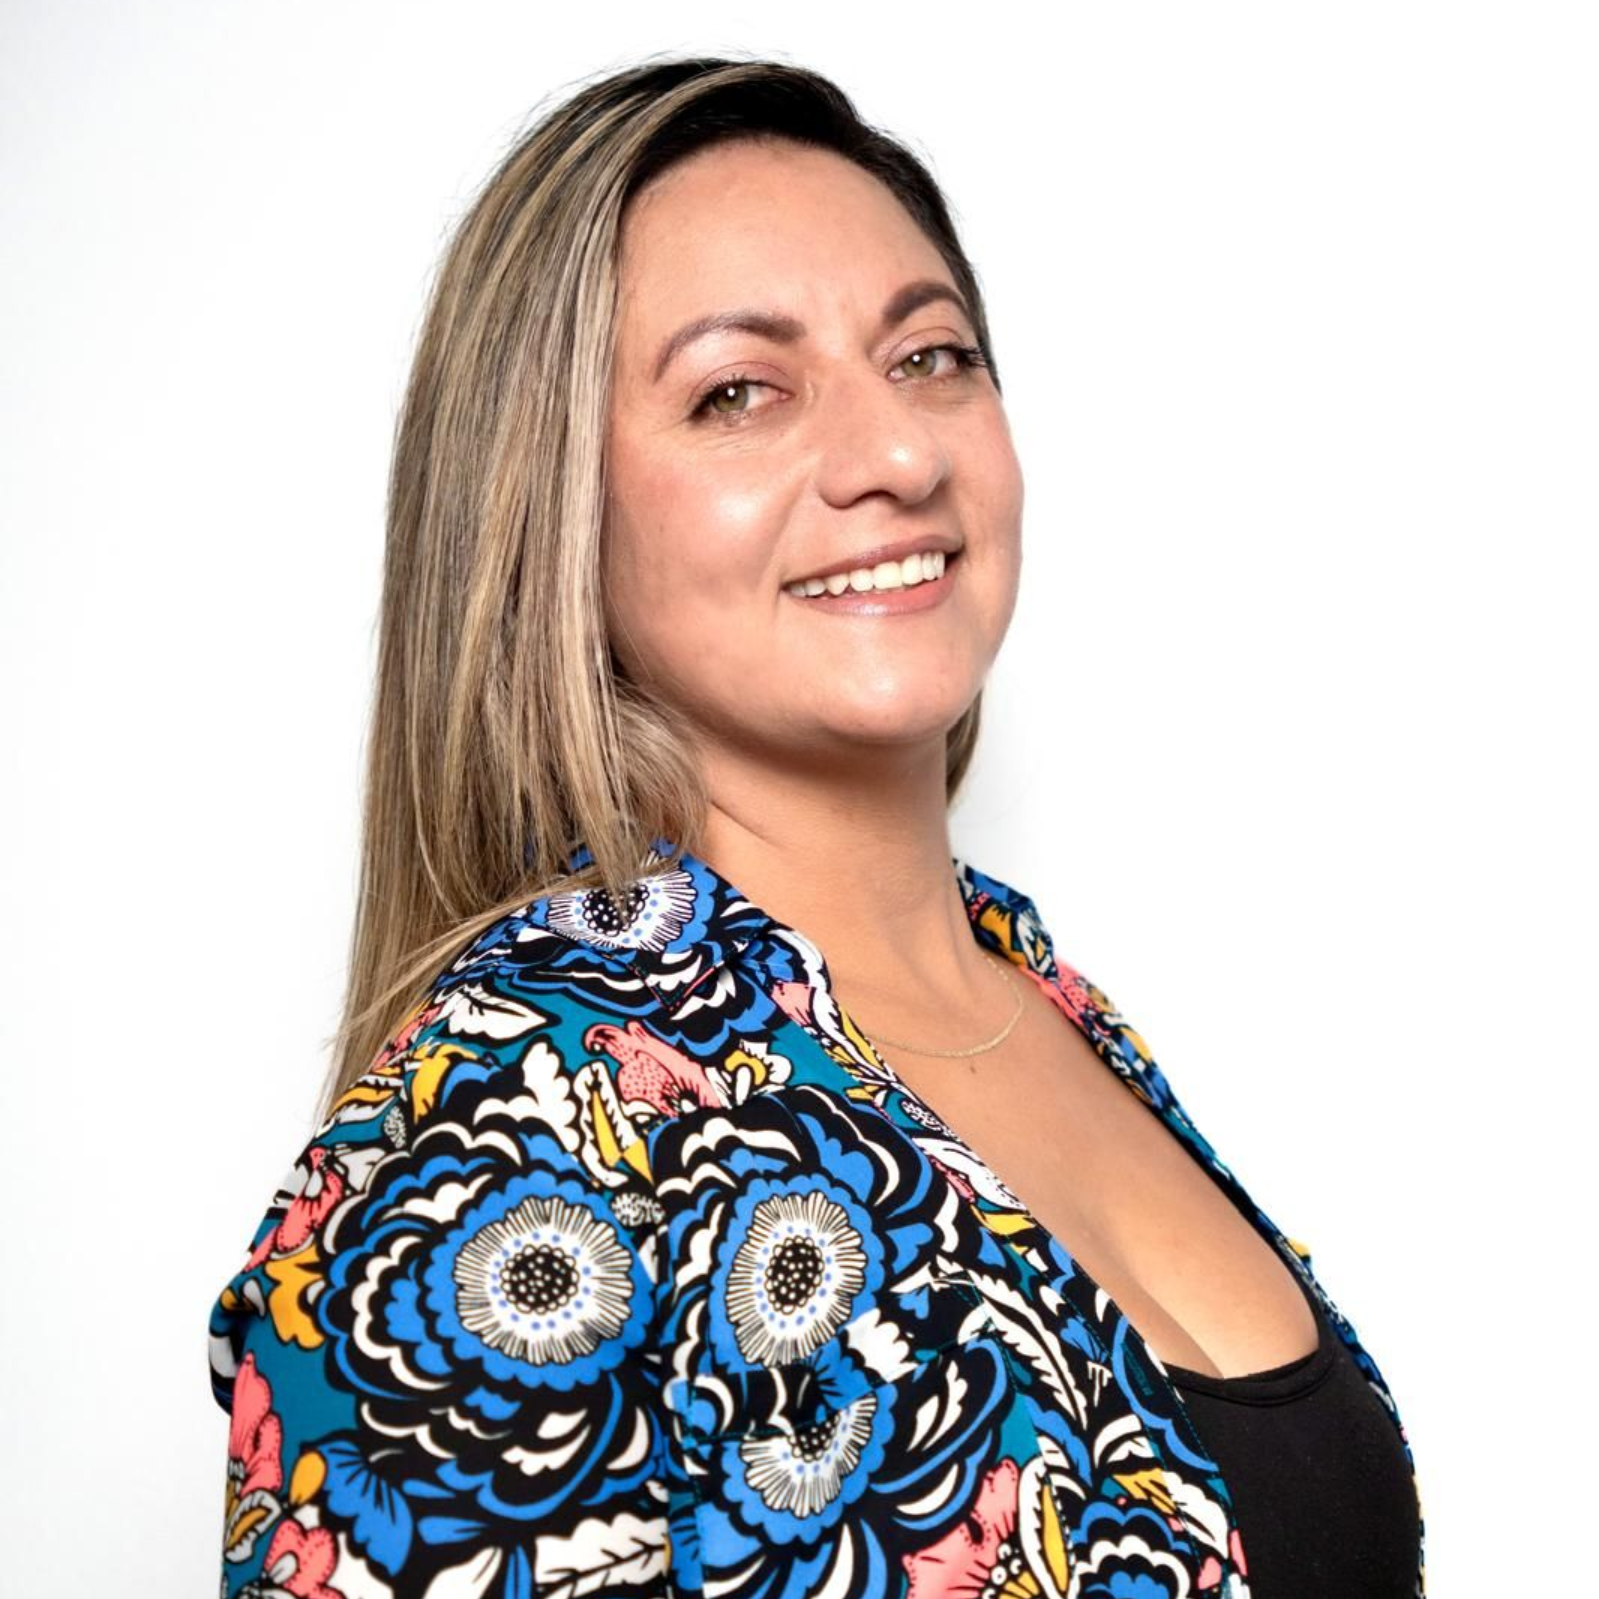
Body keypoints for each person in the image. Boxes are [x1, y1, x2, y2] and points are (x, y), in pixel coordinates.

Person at [207, 55, 1424, 1599]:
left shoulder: (1043, 998)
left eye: (930, 356)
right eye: (738, 391)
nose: (898, 454)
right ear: (548, 503)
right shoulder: (510, 1123)